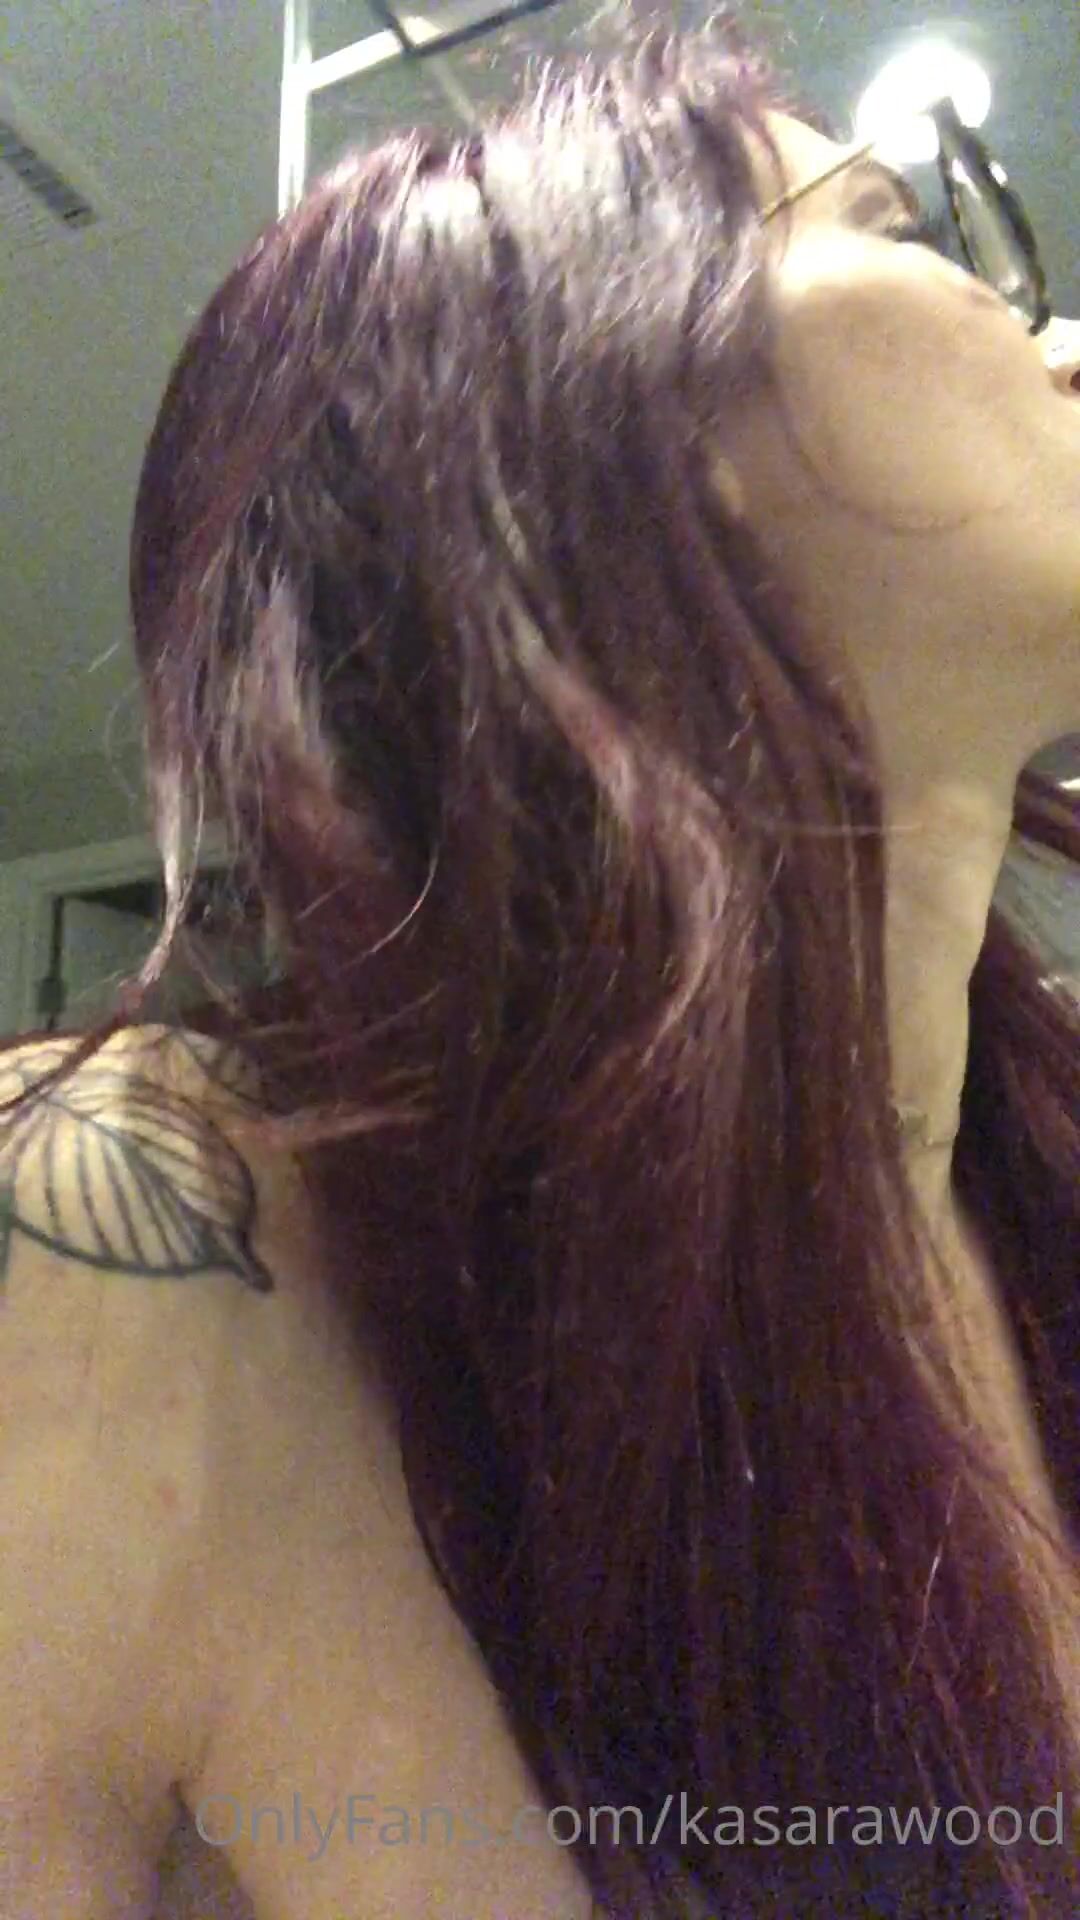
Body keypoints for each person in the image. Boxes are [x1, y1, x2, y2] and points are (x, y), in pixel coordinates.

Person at [2, 12, 1078, 1917]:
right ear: (604, 426)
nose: (1053, 332)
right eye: (901, 226)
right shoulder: (107, 1244)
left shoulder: (1043, 1191)